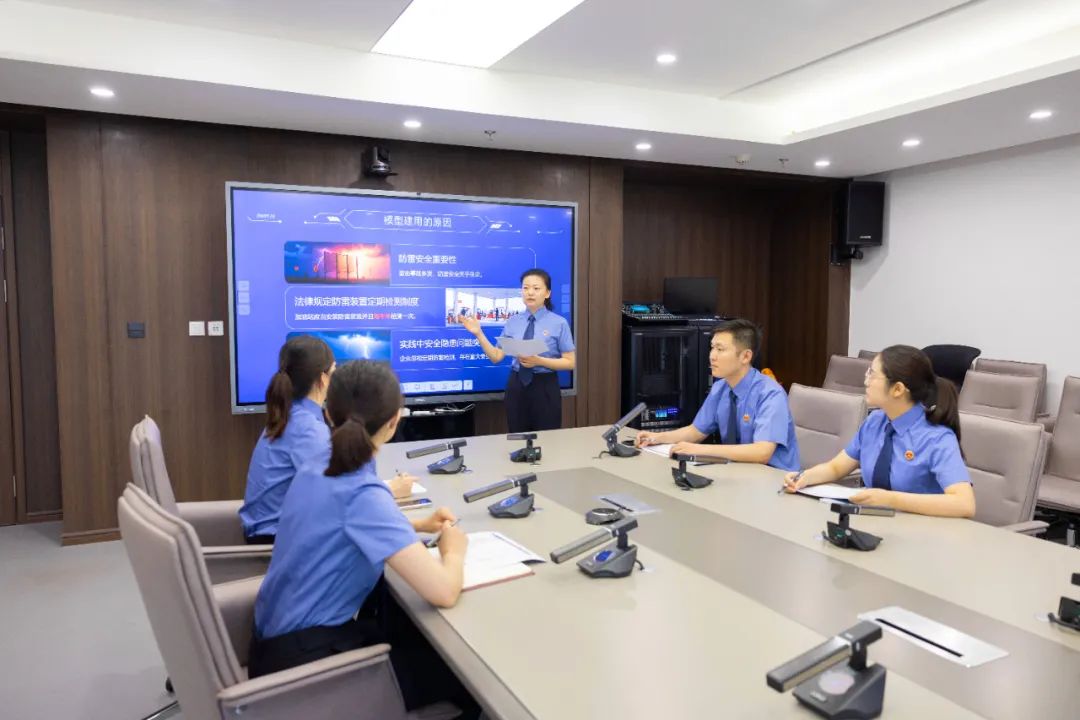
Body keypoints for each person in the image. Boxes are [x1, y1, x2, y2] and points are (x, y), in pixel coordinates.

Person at [249, 360, 476, 714]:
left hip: (275, 647)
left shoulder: (320, 462)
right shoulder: (361, 491)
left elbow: (343, 524)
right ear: (394, 421)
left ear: (328, 413)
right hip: (307, 673)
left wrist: (416, 525)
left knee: (406, 627)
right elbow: (444, 591)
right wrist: (454, 551)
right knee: (465, 675)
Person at [239, 336, 413, 544]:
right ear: (323, 379)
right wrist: (392, 490)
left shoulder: (289, 416)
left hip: (277, 531)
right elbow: (342, 500)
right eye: (334, 372)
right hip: (278, 542)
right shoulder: (308, 430)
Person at [783, 345, 976, 518]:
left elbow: (964, 503)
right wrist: (803, 477)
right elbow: (836, 468)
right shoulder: (875, 421)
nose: (866, 381)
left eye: (873, 375)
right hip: (874, 522)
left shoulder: (936, 437)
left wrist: (891, 500)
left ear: (897, 389)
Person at [636, 318, 800, 471]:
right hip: (737, 471)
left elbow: (762, 453)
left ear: (745, 356)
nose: (712, 356)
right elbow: (696, 431)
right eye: (712, 347)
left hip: (773, 478)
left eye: (720, 349)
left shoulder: (770, 394)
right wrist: (657, 437)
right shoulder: (720, 387)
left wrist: (699, 450)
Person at [463, 268, 575, 432]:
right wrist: (478, 333)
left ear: (547, 293)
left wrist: (539, 361)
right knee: (517, 435)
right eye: (525, 288)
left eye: (536, 288)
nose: (530, 292)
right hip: (516, 385)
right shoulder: (513, 321)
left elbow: (570, 362)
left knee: (547, 438)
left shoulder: (559, 323)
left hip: (545, 385)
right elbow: (496, 357)